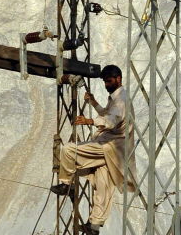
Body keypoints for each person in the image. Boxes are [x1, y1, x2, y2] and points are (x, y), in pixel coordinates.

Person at [51, 64, 134, 235]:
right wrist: (94, 102)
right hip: (112, 150)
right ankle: (94, 226)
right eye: (105, 82)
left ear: (118, 79)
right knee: (103, 186)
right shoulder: (116, 98)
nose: (106, 84)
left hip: (109, 146)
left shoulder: (121, 100)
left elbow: (110, 121)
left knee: (68, 150)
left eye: (109, 81)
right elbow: (106, 114)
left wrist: (89, 121)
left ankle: (66, 184)